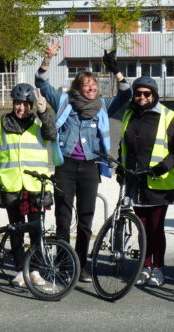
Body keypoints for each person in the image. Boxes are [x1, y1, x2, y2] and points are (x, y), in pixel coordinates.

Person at [35, 40, 132, 282]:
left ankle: (82, 264)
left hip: (90, 166)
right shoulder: (64, 102)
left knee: (86, 219)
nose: (91, 88)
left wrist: (116, 69)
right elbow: (41, 83)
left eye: (94, 85)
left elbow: (127, 94)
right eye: (86, 85)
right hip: (65, 166)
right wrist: (48, 58)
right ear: (78, 87)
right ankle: (63, 262)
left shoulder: (102, 106)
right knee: (63, 217)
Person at [0, 83, 55, 287]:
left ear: (31, 105)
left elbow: (52, 134)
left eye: (26, 104)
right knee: (16, 231)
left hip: (35, 186)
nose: (21, 108)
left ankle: (35, 270)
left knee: (36, 231)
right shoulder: (3, 124)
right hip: (12, 186)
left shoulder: (38, 124)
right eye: (18, 103)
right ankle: (21, 270)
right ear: (13, 103)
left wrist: (44, 111)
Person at [118, 76, 174, 287]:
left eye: (147, 93)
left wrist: (162, 167)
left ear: (154, 95)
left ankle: (159, 268)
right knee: (142, 228)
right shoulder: (128, 114)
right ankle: (145, 267)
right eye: (138, 93)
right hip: (135, 181)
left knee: (156, 228)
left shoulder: (166, 115)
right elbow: (124, 146)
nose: (142, 97)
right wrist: (121, 166)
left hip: (158, 182)